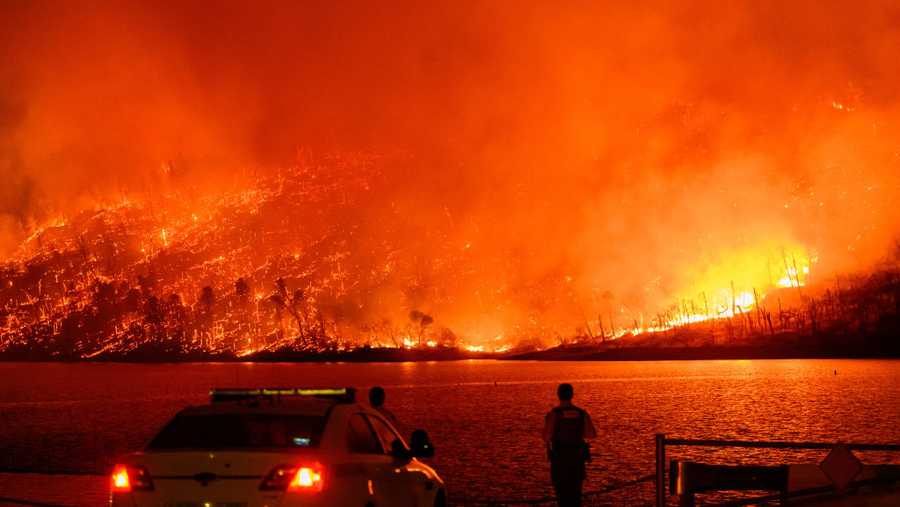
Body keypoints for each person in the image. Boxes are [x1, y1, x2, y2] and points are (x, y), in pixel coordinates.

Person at [542, 383, 596, 507]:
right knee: (576, 496)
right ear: (572, 395)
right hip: (577, 462)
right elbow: (591, 435)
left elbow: (546, 437)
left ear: (558, 395)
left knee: (562, 497)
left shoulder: (554, 414)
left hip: (559, 462)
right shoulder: (582, 413)